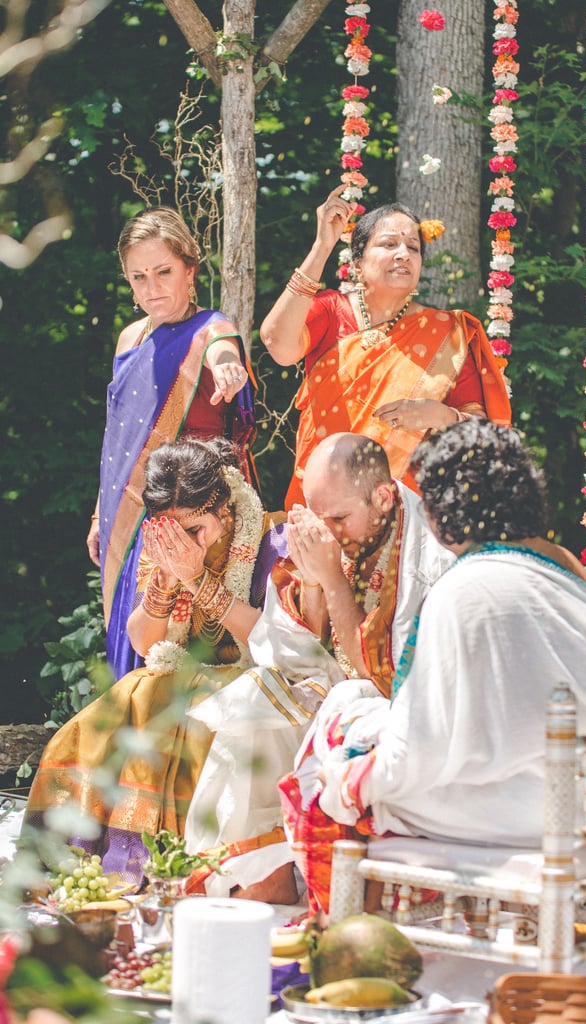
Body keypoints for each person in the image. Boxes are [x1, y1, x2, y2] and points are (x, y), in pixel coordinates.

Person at [280, 420, 586, 914]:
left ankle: (351, 935)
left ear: (442, 515)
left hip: (528, 810)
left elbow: (415, 754)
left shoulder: (464, 588)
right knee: (352, 711)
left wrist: (348, 775)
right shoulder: (573, 578)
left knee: (329, 763)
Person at [182, 432, 454, 897]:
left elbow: (385, 677)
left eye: (339, 517)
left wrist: (330, 578)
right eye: (316, 516)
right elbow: (296, 647)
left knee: (335, 700)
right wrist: (312, 583)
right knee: (256, 694)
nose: (326, 531)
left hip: (404, 717)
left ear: (384, 497)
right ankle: (254, 864)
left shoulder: (426, 558)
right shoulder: (340, 530)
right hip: (335, 695)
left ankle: (299, 872)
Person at [24, 438, 288, 893]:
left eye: (194, 529)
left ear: (224, 508)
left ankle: (181, 870)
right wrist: (167, 580)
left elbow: (271, 641)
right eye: (175, 530)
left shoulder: (271, 540)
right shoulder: (164, 543)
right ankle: (85, 861)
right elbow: (146, 642)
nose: (184, 542)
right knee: (114, 710)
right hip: (177, 674)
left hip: (253, 682)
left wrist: (199, 579)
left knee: (172, 702)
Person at [87, 206, 258, 680]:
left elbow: (224, 348)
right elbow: (116, 436)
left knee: (179, 644)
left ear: (190, 270)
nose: (152, 287)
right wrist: (102, 513)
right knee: (127, 632)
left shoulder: (210, 328)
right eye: (138, 277)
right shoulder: (128, 339)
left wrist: (227, 365)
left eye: (163, 271)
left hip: (185, 514)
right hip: (126, 511)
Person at [260, 186, 512, 508]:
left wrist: (443, 414)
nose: (403, 254)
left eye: (413, 247)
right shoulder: (331, 310)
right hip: (325, 500)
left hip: (407, 514)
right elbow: (277, 344)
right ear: (358, 261)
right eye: (389, 244)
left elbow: (486, 434)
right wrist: (322, 247)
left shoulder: (447, 334)